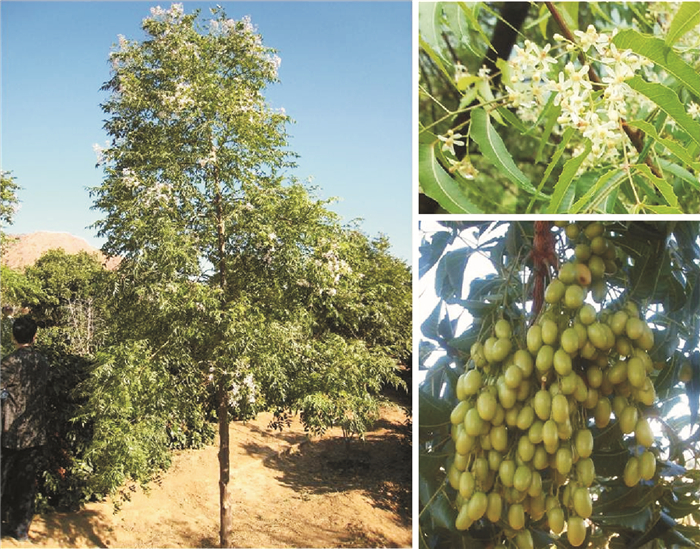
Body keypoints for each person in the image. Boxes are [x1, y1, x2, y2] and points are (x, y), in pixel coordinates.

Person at [1, 315, 50, 541]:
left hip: (9, 432)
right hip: (34, 432)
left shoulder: (9, 363)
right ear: (35, 336)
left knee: (3, 481)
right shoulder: (43, 362)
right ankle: (21, 532)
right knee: (26, 484)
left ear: (13, 336)